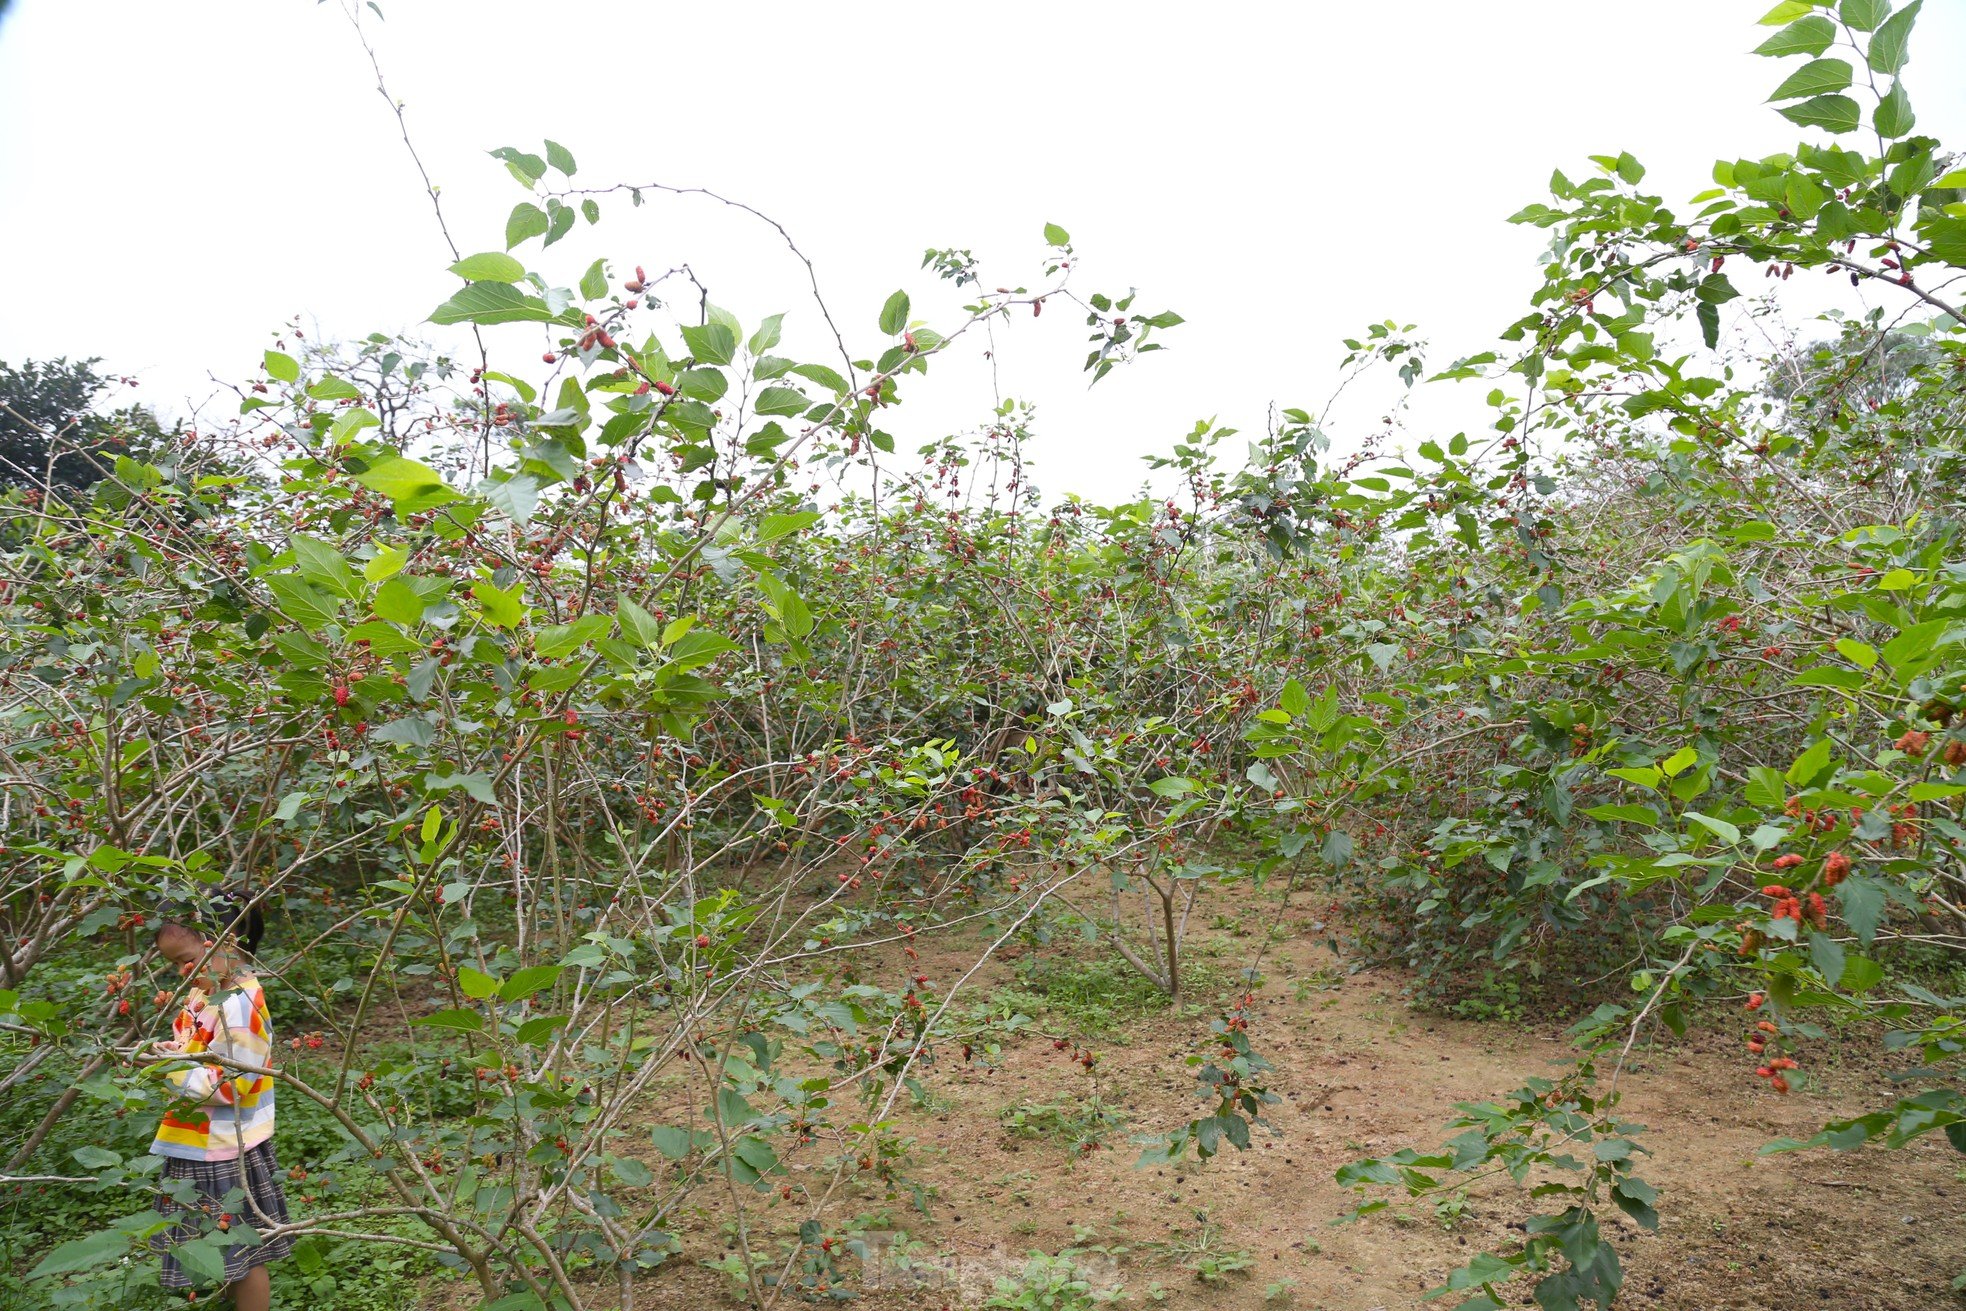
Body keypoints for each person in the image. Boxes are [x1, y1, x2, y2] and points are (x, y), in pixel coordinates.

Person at [143, 893, 292, 1310]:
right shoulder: (207, 992)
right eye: (174, 964)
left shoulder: (241, 1004)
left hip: (225, 1147)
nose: (182, 971)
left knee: (243, 1254)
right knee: (224, 1250)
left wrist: (168, 1070)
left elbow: (231, 1085)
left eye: (186, 959)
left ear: (227, 940)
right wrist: (169, 1050)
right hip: (200, 1141)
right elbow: (195, 1045)